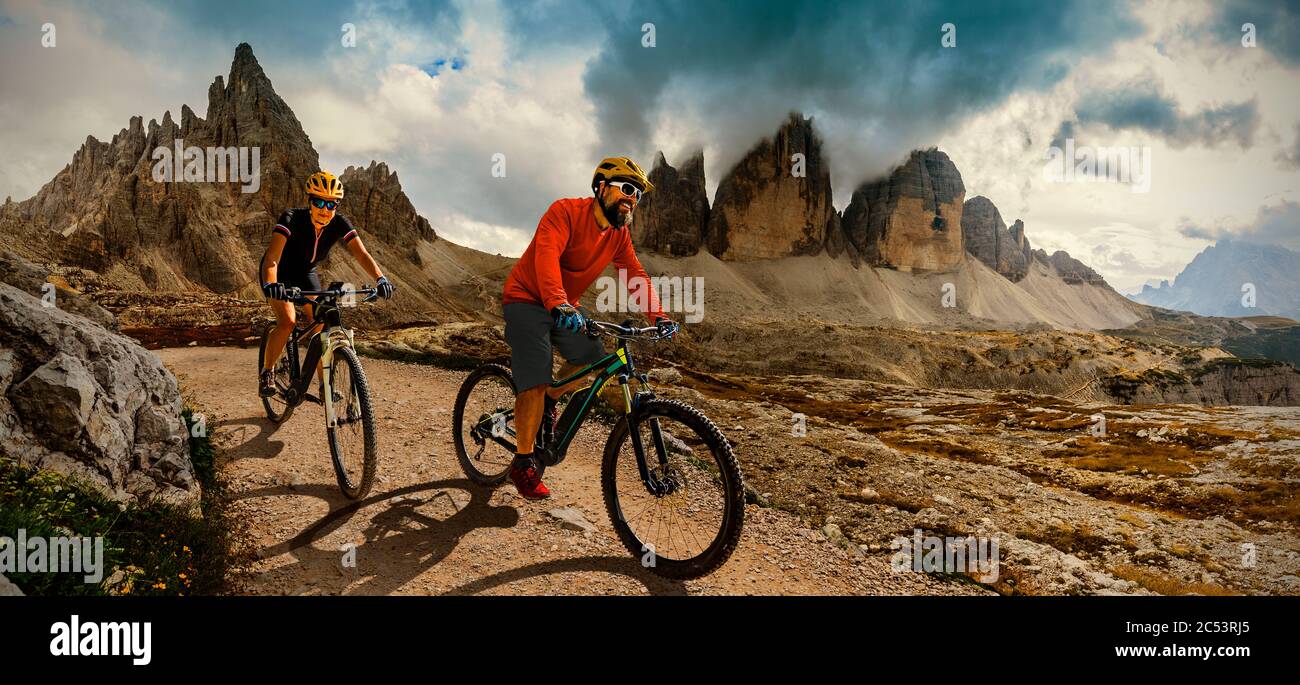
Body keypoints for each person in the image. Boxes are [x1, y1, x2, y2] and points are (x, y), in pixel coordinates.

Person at [501, 157, 679, 499]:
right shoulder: (565, 211)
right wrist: (557, 301)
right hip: (527, 298)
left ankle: (550, 401)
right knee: (536, 375)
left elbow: (633, 274)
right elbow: (547, 255)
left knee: (595, 358)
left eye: (638, 194)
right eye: (626, 189)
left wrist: (658, 316)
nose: (632, 198)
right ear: (600, 187)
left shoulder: (618, 234)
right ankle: (523, 462)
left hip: (564, 305)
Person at [259, 171, 395, 397]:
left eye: (331, 204)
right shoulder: (291, 218)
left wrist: (381, 278)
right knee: (288, 321)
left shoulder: (340, 223)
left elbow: (361, 254)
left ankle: (325, 386)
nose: (325, 209)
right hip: (279, 272)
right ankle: (267, 371)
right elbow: (272, 259)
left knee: (321, 324)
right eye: (319, 202)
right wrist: (272, 284)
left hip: (306, 273)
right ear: (309, 202)